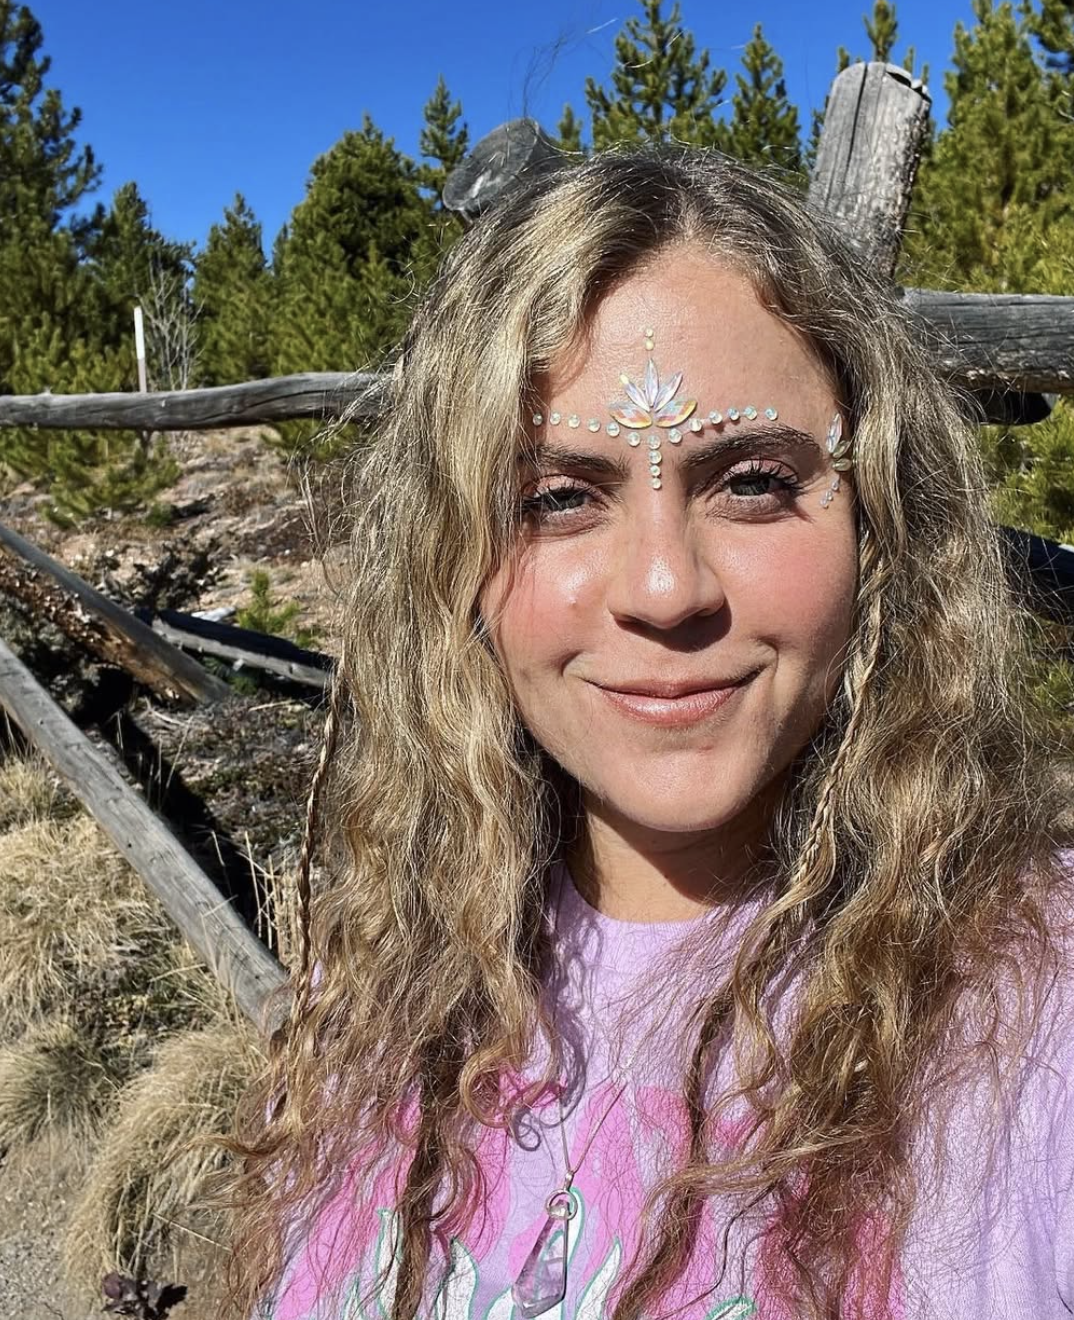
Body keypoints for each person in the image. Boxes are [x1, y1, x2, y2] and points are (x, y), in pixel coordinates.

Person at [226, 149, 1074, 1320]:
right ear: (451, 559)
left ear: (882, 522)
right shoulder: (384, 988)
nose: (668, 589)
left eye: (755, 482)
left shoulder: (1030, 1017)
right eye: (559, 497)